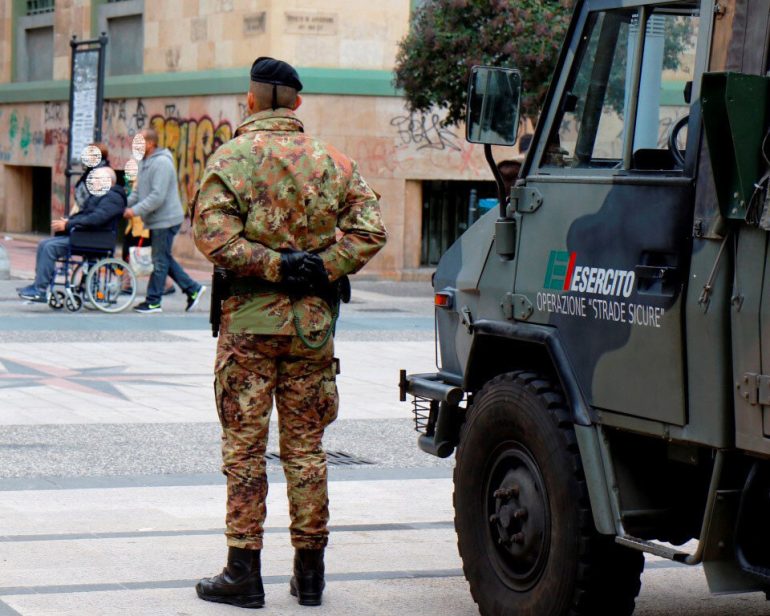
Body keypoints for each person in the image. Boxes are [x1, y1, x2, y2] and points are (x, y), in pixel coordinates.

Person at [192, 57, 387, 609]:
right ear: (297, 103)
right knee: (306, 451)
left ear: (250, 100)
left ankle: (243, 573)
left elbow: (214, 237)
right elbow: (370, 230)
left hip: (248, 328)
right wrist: (322, 267)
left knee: (244, 452)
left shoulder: (230, 158)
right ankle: (310, 576)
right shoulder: (333, 161)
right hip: (311, 331)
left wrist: (275, 266)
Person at [123, 128, 205, 313]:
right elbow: (138, 193)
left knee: (159, 261)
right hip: (156, 219)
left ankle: (153, 301)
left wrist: (133, 211)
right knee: (163, 257)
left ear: (150, 143)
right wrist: (121, 205)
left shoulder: (161, 163)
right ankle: (193, 289)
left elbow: (157, 197)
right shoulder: (144, 162)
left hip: (166, 220)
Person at [18, 167, 125, 302]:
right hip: (87, 236)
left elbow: (96, 218)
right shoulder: (100, 195)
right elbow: (85, 215)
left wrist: (69, 224)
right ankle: (38, 284)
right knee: (43, 244)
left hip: (95, 238)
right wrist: (69, 221)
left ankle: (41, 289)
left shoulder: (113, 198)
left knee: (50, 247)